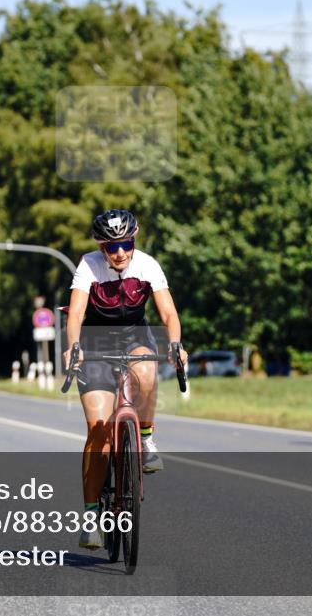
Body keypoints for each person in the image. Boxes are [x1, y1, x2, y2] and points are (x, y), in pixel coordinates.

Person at [63, 209, 187, 550]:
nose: (120, 252)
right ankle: (90, 516)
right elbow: (75, 313)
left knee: (147, 371)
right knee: (99, 428)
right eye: (111, 246)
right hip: (95, 343)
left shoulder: (147, 265)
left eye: (126, 243)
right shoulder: (88, 265)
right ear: (101, 247)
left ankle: (145, 438)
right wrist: (73, 348)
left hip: (135, 337)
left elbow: (169, 313)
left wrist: (176, 345)